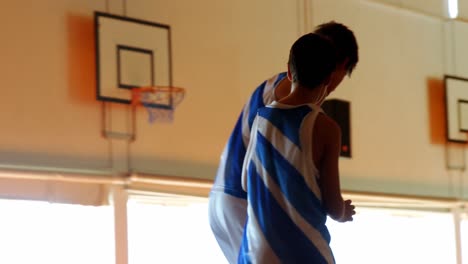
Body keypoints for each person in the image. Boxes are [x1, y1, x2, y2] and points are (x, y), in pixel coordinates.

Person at [208, 21, 359, 264]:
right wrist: (339, 210)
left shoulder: (267, 106)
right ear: (337, 68)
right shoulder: (312, 117)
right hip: (245, 207)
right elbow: (327, 200)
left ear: (290, 68)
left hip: (226, 198)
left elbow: (253, 175)